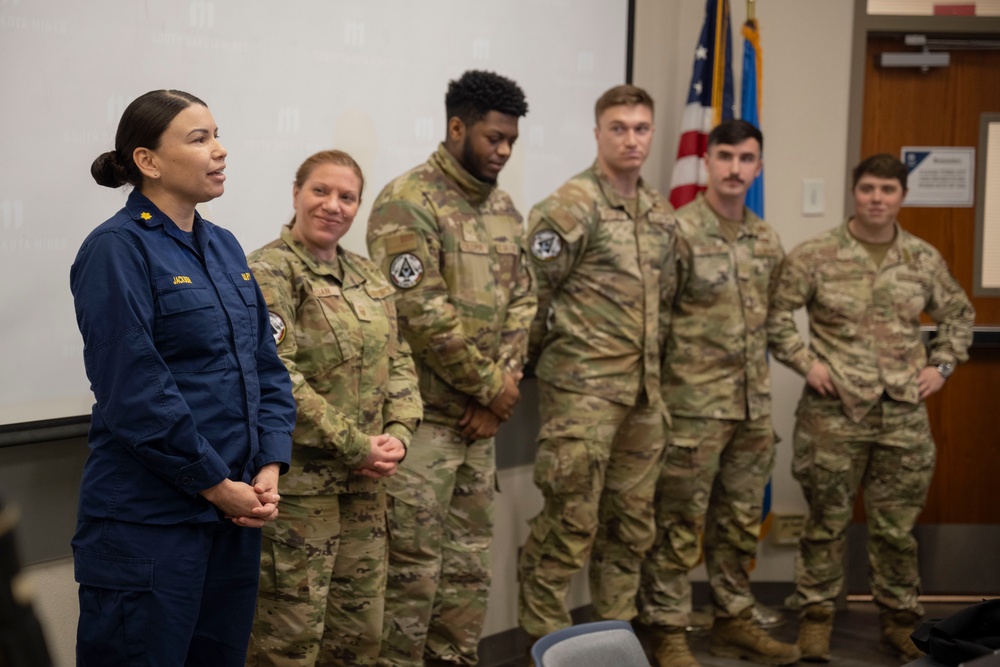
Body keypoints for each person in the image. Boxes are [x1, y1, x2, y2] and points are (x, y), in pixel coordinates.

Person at [70, 89, 296, 666]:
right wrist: (216, 485)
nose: (220, 150)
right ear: (147, 161)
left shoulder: (224, 247)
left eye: (217, 135)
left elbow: (266, 367)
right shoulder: (116, 249)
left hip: (233, 516)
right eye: (200, 139)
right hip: (151, 525)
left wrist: (269, 464)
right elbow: (134, 391)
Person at [767, 153, 975, 663]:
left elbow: (958, 315)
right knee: (825, 523)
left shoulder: (922, 258)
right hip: (832, 412)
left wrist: (942, 366)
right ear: (854, 192)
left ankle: (900, 623)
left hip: (901, 414)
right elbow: (775, 316)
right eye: (867, 189)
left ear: (902, 196)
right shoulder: (816, 254)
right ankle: (816, 620)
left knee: (895, 530)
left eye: (887, 190)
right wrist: (806, 364)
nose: (876, 199)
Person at [366, 70, 535, 667]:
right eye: (494, 138)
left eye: (511, 140)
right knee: (410, 577)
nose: (504, 151)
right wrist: (493, 389)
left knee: (467, 575)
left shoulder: (506, 209)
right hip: (422, 428)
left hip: (479, 427)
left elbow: (525, 303)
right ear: (457, 127)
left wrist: (498, 394)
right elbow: (422, 315)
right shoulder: (407, 201)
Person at [245, 150, 422, 666]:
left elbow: (400, 360)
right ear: (296, 193)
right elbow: (278, 376)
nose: (333, 205)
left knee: (358, 639)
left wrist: (399, 435)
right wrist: (356, 444)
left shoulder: (369, 275)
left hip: (366, 488)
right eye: (320, 190)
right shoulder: (268, 270)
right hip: (300, 492)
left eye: (347, 196)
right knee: (289, 643)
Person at [516, 84, 676, 643]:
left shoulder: (659, 212)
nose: (631, 139)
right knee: (570, 523)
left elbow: (667, 300)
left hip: (644, 397)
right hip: (583, 396)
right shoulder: (569, 207)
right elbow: (530, 298)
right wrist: (525, 367)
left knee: (631, 528)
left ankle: (615, 642)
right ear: (597, 134)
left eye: (641, 128)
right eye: (619, 128)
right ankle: (545, 643)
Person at [638, 120, 799, 667]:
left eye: (746, 158)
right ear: (707, 162)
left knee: (738, 524)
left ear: (758, 167)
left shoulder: (766, 238)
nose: (735, 168)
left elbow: (775, 321)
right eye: (725, 156)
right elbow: (654, 324)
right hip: (691, 410)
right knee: (678, 527)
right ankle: (667, 630)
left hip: (751, 410)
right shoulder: (678, 232)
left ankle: (732, 622)